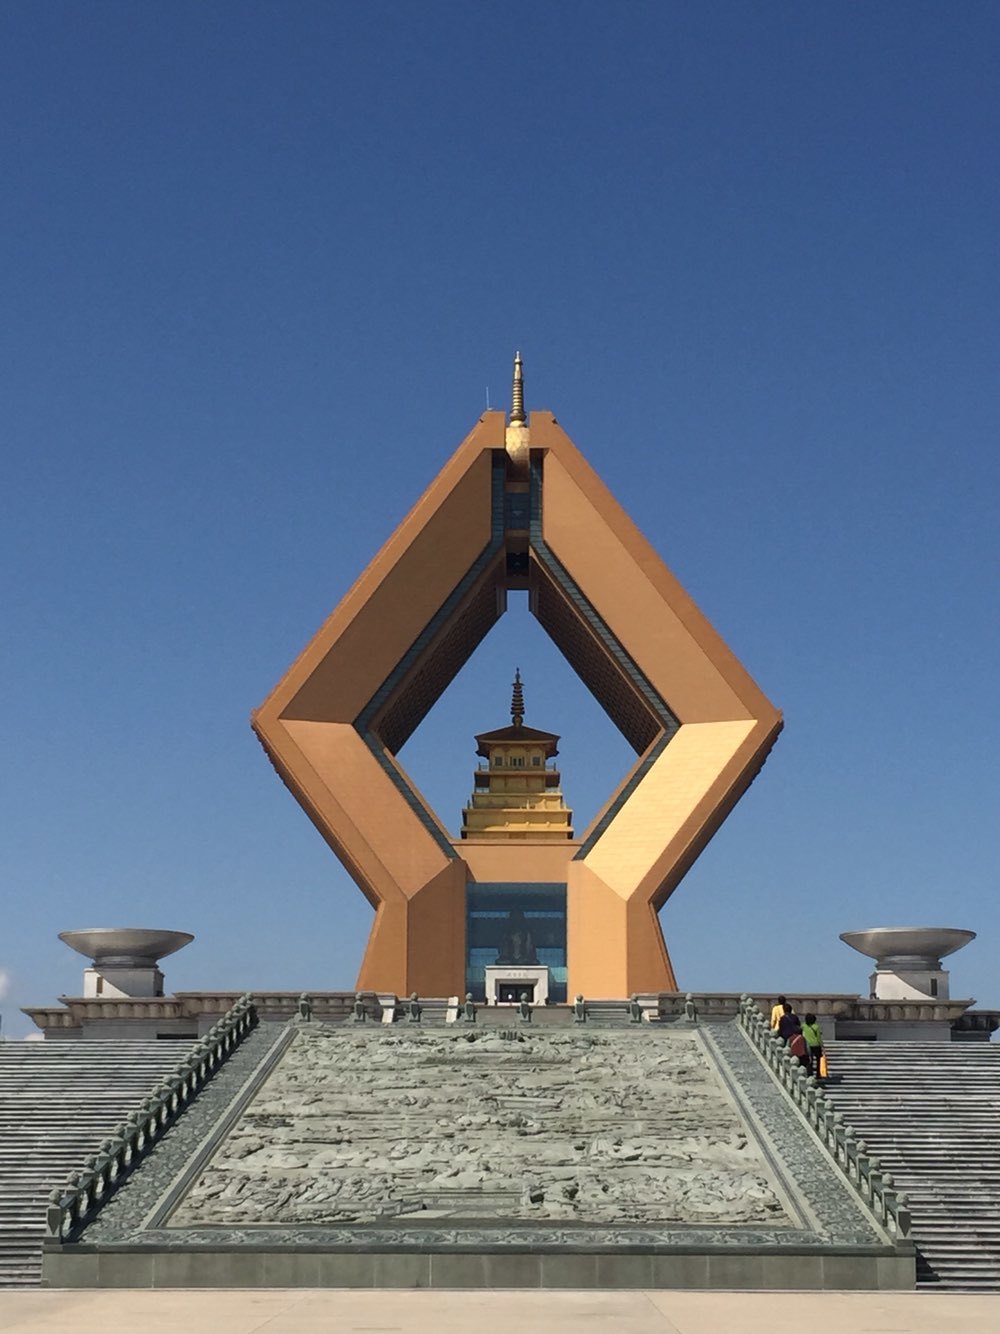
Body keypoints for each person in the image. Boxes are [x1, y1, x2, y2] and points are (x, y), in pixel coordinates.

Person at [801, 1012, 824, 1078]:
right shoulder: (816, 1027)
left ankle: (809, 1073)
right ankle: (818, 1073)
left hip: (808, 1045)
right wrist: (821, 1045)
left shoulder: (803, 1026)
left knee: (810, 1060)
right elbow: (819, 1037)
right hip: (816, 1045)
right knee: (818, 1060)